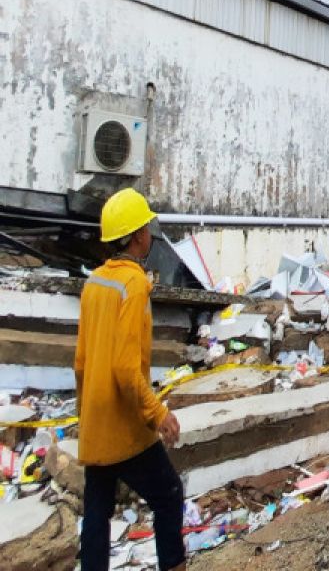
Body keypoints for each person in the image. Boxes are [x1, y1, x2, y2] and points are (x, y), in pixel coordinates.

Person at [76, 189, 185, 571]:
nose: (150, 236)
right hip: (125, 423)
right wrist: (157, 413)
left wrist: (87, 414)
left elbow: (81, 364)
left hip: (95, 420)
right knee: (169, 495)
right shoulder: (134, 284)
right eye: (147, 228)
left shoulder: (94, 284)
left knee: (97, 514)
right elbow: (126, 368)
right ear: (137, 235)